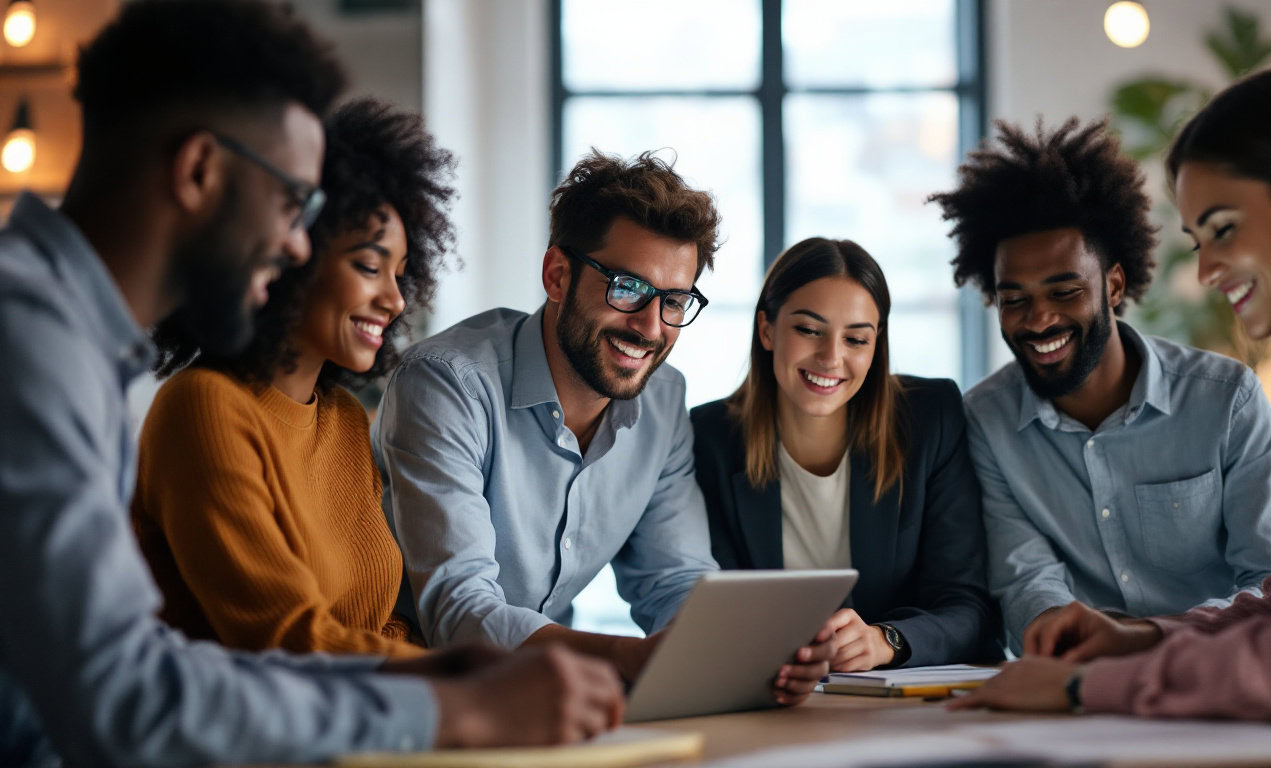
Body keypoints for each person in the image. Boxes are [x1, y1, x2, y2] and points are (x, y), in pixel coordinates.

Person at [0, 3, 621, 765]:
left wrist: (455, 680)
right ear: (200, 170)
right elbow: (125, 696)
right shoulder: (30, 344)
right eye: (295, 202)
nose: (298, 242)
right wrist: (444, 705)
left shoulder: (73, 344)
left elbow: (145, 667)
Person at [950, 67, 1271, 723]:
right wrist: (1140, 636)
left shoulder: (1227, 397)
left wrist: (1086, 688)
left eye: (1222, 228)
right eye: (1198, 240)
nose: (1208, 271)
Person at [375, 150, 835, 703]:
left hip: (546, 703)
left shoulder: (664, 402)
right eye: (627, 288)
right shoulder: (446, 383)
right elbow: (459, 609)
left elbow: (673, 580)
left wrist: (751, 655)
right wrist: (628, 657)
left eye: (673, 301)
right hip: (411, 694)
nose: (649, 326)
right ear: (557, 275)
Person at [927, 118, 1271, 656]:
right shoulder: (985, 420)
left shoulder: (1225, 400)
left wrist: (1146, 640)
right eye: (1015, 299)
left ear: (1113, 284)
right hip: (1076, 685)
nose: (1039, 320)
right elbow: (1024, 577)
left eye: (1065, 290)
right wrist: (1061, 633)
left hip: (1214, 678)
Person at [131, 98, 453, 658]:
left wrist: (473, 670)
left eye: (401, 275)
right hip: (237, 739)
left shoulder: (344, 420)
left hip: (349, 726)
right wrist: (469, 677)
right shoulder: (202, 406)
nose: (395, 300)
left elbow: (372, 630)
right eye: (370, 267)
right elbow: (284, 639)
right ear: (290, 254)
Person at [690, 238, 1000, 672]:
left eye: (856, 339)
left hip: (898, 707)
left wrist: (886, 641)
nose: (831, 357)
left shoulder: (930, 419)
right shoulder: (710, 439)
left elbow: (968, 607)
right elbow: (710, 610)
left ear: (875, 348)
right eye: (809, 330)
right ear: (767, 329)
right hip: (771, 697)